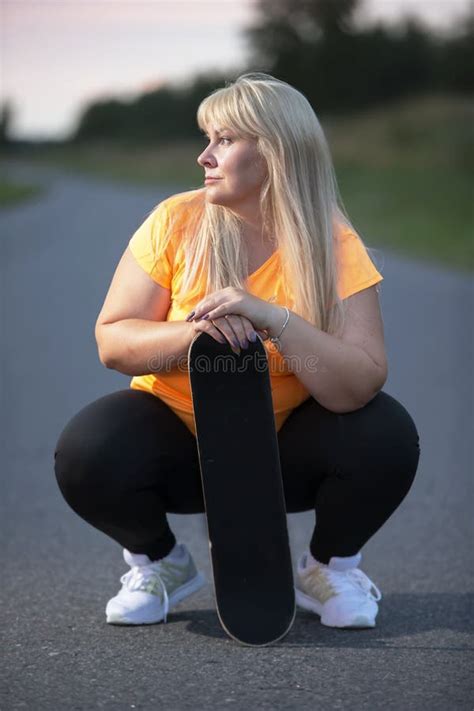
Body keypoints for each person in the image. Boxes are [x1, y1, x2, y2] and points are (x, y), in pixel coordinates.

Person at [54, 72, 420, 630]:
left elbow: (360, 380)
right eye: (208, 139)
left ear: (274, 151)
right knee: (86, 450)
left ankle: (330, 569)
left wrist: (273, 318)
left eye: (224, 140)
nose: (205, 156)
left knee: (386, 434)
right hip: (180, 447)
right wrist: (193, 335)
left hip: (281, 453)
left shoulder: (332, 242)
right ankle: (160, 563)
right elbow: (113, 340)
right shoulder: (176, 220)